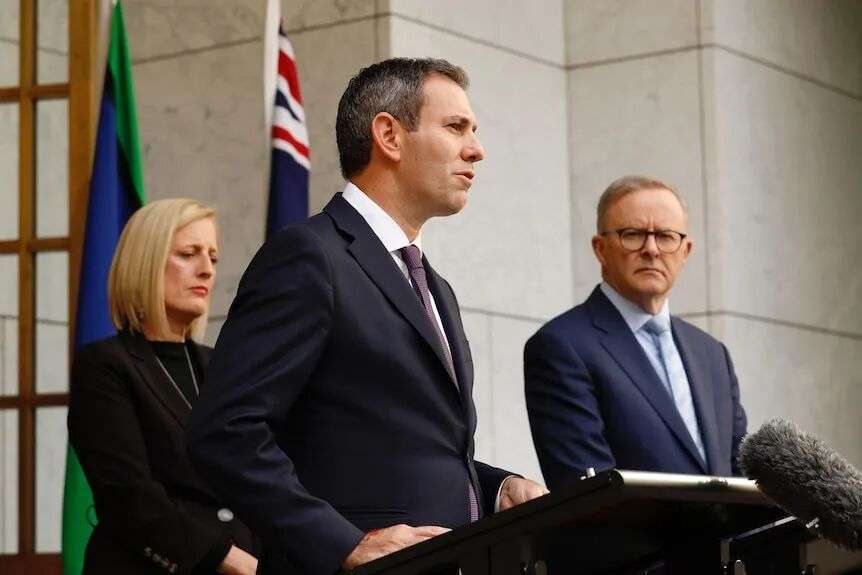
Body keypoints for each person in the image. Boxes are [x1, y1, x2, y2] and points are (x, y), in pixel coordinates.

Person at [187, 58, 547, 575]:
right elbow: (226, 433)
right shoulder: (310, 257)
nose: (476, 149)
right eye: (455, 127)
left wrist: (495, 488)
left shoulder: (434, 286)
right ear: (389, 135)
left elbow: (404, 447)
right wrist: (341, 544)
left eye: (475, 131)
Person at [68, 199, 258, 575]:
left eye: (214, 258)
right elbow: (128, 495)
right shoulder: (106, 365)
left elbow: (253, 477)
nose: (206, 270)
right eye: (189, 254)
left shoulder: (221, 364)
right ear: (146, 261)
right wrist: (231, 560)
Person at [524, 175, 747, 490]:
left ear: (686, 250)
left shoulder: (712, 354)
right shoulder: (562, 346)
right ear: (600, 248)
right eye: (633, 234)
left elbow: (740, 471)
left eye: (666, 236)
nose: (652, 250)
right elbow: (588, 492)